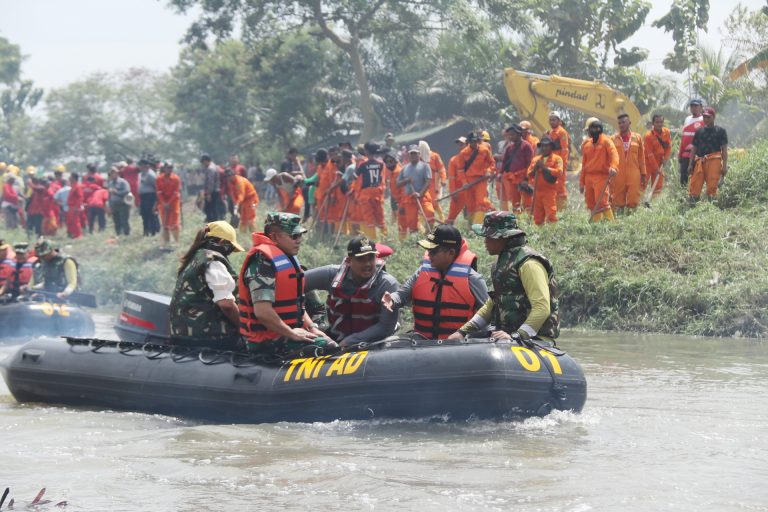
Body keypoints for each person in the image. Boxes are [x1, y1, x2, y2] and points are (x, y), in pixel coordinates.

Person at [448, 211, 559, 343]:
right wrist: (462, 332)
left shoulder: (529, 264)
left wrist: (517, 336)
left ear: (502, 238)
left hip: (534, 340)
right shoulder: (500, 265)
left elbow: (541, 307)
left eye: (488, 237)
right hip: (507, 339)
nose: (485, 241)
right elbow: (492, 305)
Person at [237, 212, 332, 353]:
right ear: (275, 237)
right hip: (265, 341)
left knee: (329, 338)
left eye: (300, 235)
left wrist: (311, 327)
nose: (299, 240)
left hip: (286, 333)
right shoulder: (263, 263)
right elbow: (262, 312)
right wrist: (292, 333)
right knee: (327, 347)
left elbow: (296, 306)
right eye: (294, 236)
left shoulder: (286, 258)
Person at [382, 225, 489, 340]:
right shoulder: (421, 272)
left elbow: (488, 313)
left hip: (458, 346)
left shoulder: (473, 279)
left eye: (434, 251)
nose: (429, 255)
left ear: (451, 253)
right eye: (428, 250)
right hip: (423, 341)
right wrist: (391, 299)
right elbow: (402, 295)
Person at [304, 236, 400, 346]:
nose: (367, 264)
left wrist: (348, 342)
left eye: (371, 258)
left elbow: (386, 327)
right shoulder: (332, 274)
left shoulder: (387, 283)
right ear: (349, 260)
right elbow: (295, 284)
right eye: (361, 259)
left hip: (376, 342)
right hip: (336, 337)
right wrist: (310, 325)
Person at [169, 221, 243, 350]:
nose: (229, 252)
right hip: (208, 336)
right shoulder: (213, 261)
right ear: (221, 243)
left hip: (182, 334)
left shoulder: (196, 257)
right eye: (230, 248)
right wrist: (244, 328)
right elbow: (227, 305)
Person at [579, 119, 619, 221]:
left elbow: (614, 155)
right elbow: (584, 165)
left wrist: (613, 167)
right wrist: (581, 183)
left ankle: (612, 224)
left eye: (590, 130)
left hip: (601, 176)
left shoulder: (606, 141)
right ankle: (596, 226)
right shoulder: (586, 144)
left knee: (601, 201)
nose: (589, 132)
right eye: (588, 130)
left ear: (598, 129)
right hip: (588, 177)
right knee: (591, 203)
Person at [687, 107, 728, 202]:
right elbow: (694, 149)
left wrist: (724, 166)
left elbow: (724, 150)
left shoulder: (721, 131)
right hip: (699, 162)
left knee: (712, 186)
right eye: (704, 117)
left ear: (713, 117)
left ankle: (711, 208)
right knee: (694, 186)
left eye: (708, 117)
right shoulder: (699, 132)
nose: (706, 119)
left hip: (714, 161)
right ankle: (692, 206)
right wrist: (690, 164)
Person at [453, 132, 495, 224]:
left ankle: (478, 224)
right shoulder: (463, 153)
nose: (474, 144)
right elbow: (460, 170)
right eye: (472, 142)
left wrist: (489, 171)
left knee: (480, 201)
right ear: (468, 142)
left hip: (481, 180)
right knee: (470, 204)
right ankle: (471, 225)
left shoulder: (485, 150)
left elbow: (492, 163)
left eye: (476, 141)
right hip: (468, 182)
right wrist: (464, 182)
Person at [610, 113, 646, 213]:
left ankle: (631, 220)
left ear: (629, 123)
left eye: (623, 122)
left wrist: (643, 173)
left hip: (634, 173)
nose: (621, 125)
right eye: (619, 123)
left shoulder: (637, 138)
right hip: (618, 174)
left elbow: (641, 157)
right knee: (618, 201)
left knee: (633, 200)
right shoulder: (613, 139)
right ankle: (620, 222)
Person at [396, 145, 435, 235]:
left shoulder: (425, 166)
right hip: (409, 198)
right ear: (408, 155)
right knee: (411, 221)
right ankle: (415, 241)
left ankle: (428, 234)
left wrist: (420, 194)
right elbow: (398, 184)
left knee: (430, 213)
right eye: (411, 154)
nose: (413, 156)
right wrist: (406, 180)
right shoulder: (405, 168)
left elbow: (428, 181)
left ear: (419, 154)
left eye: (415, 154)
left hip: (423, 196)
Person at [499, 124, 535, 213]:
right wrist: (500, 173)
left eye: (513, 134)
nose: (510, 137)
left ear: (519, 134)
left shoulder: (526, 146)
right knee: (515, 202)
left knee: (527, 202)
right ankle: (517, 221)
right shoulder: (509, 148)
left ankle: (529, 222)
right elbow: (505, 162)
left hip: (523, 178)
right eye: (509, 135)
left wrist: (526, 179)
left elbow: (530, 164)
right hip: (512, 178)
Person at [527, 137, 563, 225]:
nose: (545, 148)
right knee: (537, 217)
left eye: (547, 146)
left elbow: (559, 172)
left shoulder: (557, 159)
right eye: (543, 146)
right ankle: (540, 235)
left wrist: (544, 168)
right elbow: (529, 174)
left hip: (549, 191)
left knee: (551, 215)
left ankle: (553, 235)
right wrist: (535, 168)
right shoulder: (536, 160)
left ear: (551, 147)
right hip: (537, 191)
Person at [354, 141, 386, 239]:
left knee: (369, 218)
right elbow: (382, 178)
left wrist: (356, 164)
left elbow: (355, 177)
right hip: (377, 191)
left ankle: (372, 239)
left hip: (366, 193)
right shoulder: (381, 164)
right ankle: (385, 237)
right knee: (380, 216)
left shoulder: (363, 165)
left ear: (366, 152)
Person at [546, 111, 571, 211]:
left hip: (559, 164)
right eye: (551, 120)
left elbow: (565, 149)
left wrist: (562, 165)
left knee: (560, 187)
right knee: (553, 186)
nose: (552, 122)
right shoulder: (550, 133)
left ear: (559, 121)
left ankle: (562, 210)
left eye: (554, 120)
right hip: (552, 163)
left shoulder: (562, 132)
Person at [643, 114, 672, 199]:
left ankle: (653, 204)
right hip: (647, 163)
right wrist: (656, 168)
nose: (659, 124)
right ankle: (638, 204)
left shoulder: (666, 132)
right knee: (643, 184)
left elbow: (668, 146)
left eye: (661, 122)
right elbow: (649, 154)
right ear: (653, 123)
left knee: (658, 185)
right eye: (657, 122)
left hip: (660, 161)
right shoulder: (648, 136)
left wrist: (665, 158)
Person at [224, 168, 259, 235]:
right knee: (243, 217)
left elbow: (241, 195)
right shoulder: (230, 182)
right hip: (244, 201)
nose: (228, 178)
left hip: (252, 199)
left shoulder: (239, 181)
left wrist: (237, 204)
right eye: (226, 177)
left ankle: (255, 234)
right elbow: (232, 194)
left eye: (229, 176)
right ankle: (243, 234)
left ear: (233, 175)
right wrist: (235, 203)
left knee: (250, 217)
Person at [679, 98, 705, 186]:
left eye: (696, 106)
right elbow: (683, 138)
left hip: (698, 155)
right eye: (692, 106)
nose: (694, 108)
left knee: (696, 179)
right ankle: (683, 198)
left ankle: (694, 198)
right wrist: (680, 154)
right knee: (683, 179)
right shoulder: (687, 119)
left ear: (701, 107)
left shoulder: (704, 119)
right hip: (685, 155)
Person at [156, 162, 182, 244]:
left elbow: (176, 192)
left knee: (174, 222)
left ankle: (176, 241)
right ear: (164, 168)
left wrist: (169, 202)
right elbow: (159, 192)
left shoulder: (176, 178)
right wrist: (164, 203)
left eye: (171, 168)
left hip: (174, 203)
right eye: (168, 168)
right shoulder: (159, 179)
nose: (169, 170)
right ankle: (167, 242)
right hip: (163, 203)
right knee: (165, 223)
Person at [446, 136, 469, 225]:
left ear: (468, 145)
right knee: (452, 214)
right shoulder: (453, 160)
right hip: (459, 191)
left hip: (471, 189)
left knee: (471, 212)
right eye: (459, 145)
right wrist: (453, 192)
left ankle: (470, 230)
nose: (460, 147)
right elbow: (451, 178)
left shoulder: (473, 158)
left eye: (462, 144)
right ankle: (448, 230)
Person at [107, 167, 132, 236]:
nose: (112, 175)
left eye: (114, 173)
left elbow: (127, 191)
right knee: (116, 221)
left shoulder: (123, 182)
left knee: (124, 220)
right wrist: (109, 206)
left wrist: (117, 192)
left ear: (117, 174)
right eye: (111, 174)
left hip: (123, 204)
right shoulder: (110, 183)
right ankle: (118, 234)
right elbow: (109, 195)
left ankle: (126, 234)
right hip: (114, 205)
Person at [138, 158, 160, 236]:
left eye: (141, 166)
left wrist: (156, 198)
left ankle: (154, 230)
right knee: (144, 214)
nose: (140, 167)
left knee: (151, 213)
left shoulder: (150, 174)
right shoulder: (141, 174)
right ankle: (146, 230)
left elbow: (156, 186)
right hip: (143, 197)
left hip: (150, 196)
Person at [201, 154, 225, 222]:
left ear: (206, 161)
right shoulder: (215, 166)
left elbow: (210, 182)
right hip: (215, 191)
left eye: (203, 162)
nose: (203, 164)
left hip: (212, 192)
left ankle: (212, 226)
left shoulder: (210, 169)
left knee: (209, 210)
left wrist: (208, 194)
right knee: (214, 209)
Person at [66, 173, 84, 238]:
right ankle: (73, 234)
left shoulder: (77, 186)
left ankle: (78, 235)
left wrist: (77, 207)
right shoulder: (73, 186)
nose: (69, 178)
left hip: (74, 207)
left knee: (76, 221)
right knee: (71, 221)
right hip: (71, 207)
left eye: (70, 177)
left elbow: (80, 197)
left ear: (73, 178)